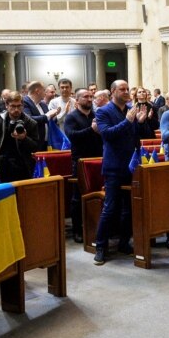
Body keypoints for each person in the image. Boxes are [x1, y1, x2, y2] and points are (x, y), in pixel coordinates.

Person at [92, 80, 143, 265]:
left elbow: (135, 135)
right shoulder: (103, 111)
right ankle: (100, 247)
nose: (127, 92)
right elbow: (108, 134)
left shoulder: (129, 109)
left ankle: (124, 243)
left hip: (130, 165)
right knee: (110, 208)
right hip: (114, 166)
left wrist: (140, 122)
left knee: (128, 208)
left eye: (128, 89)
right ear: (113, 92)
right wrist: (128, 121)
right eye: (122, 89)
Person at [64, 88, 102, 243]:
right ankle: (77, 230)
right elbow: (72, 136)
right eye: (85, 97)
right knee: (78, 196)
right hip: (80, 160)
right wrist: (91, 130)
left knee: (97, 194)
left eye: (90, 96)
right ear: (77, 100)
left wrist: (100, 132)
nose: (89, 99)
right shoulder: (71, 117)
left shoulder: (96, 115)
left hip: (98, 159)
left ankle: (96, 227)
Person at [0, 92, 39, 182]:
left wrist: (24, 138)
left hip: (22, 165)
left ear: (23, 106)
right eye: (13, 106)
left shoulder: (31, 123)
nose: (16, 109)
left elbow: (36, 147)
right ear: (6, 105)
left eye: (19, 106)